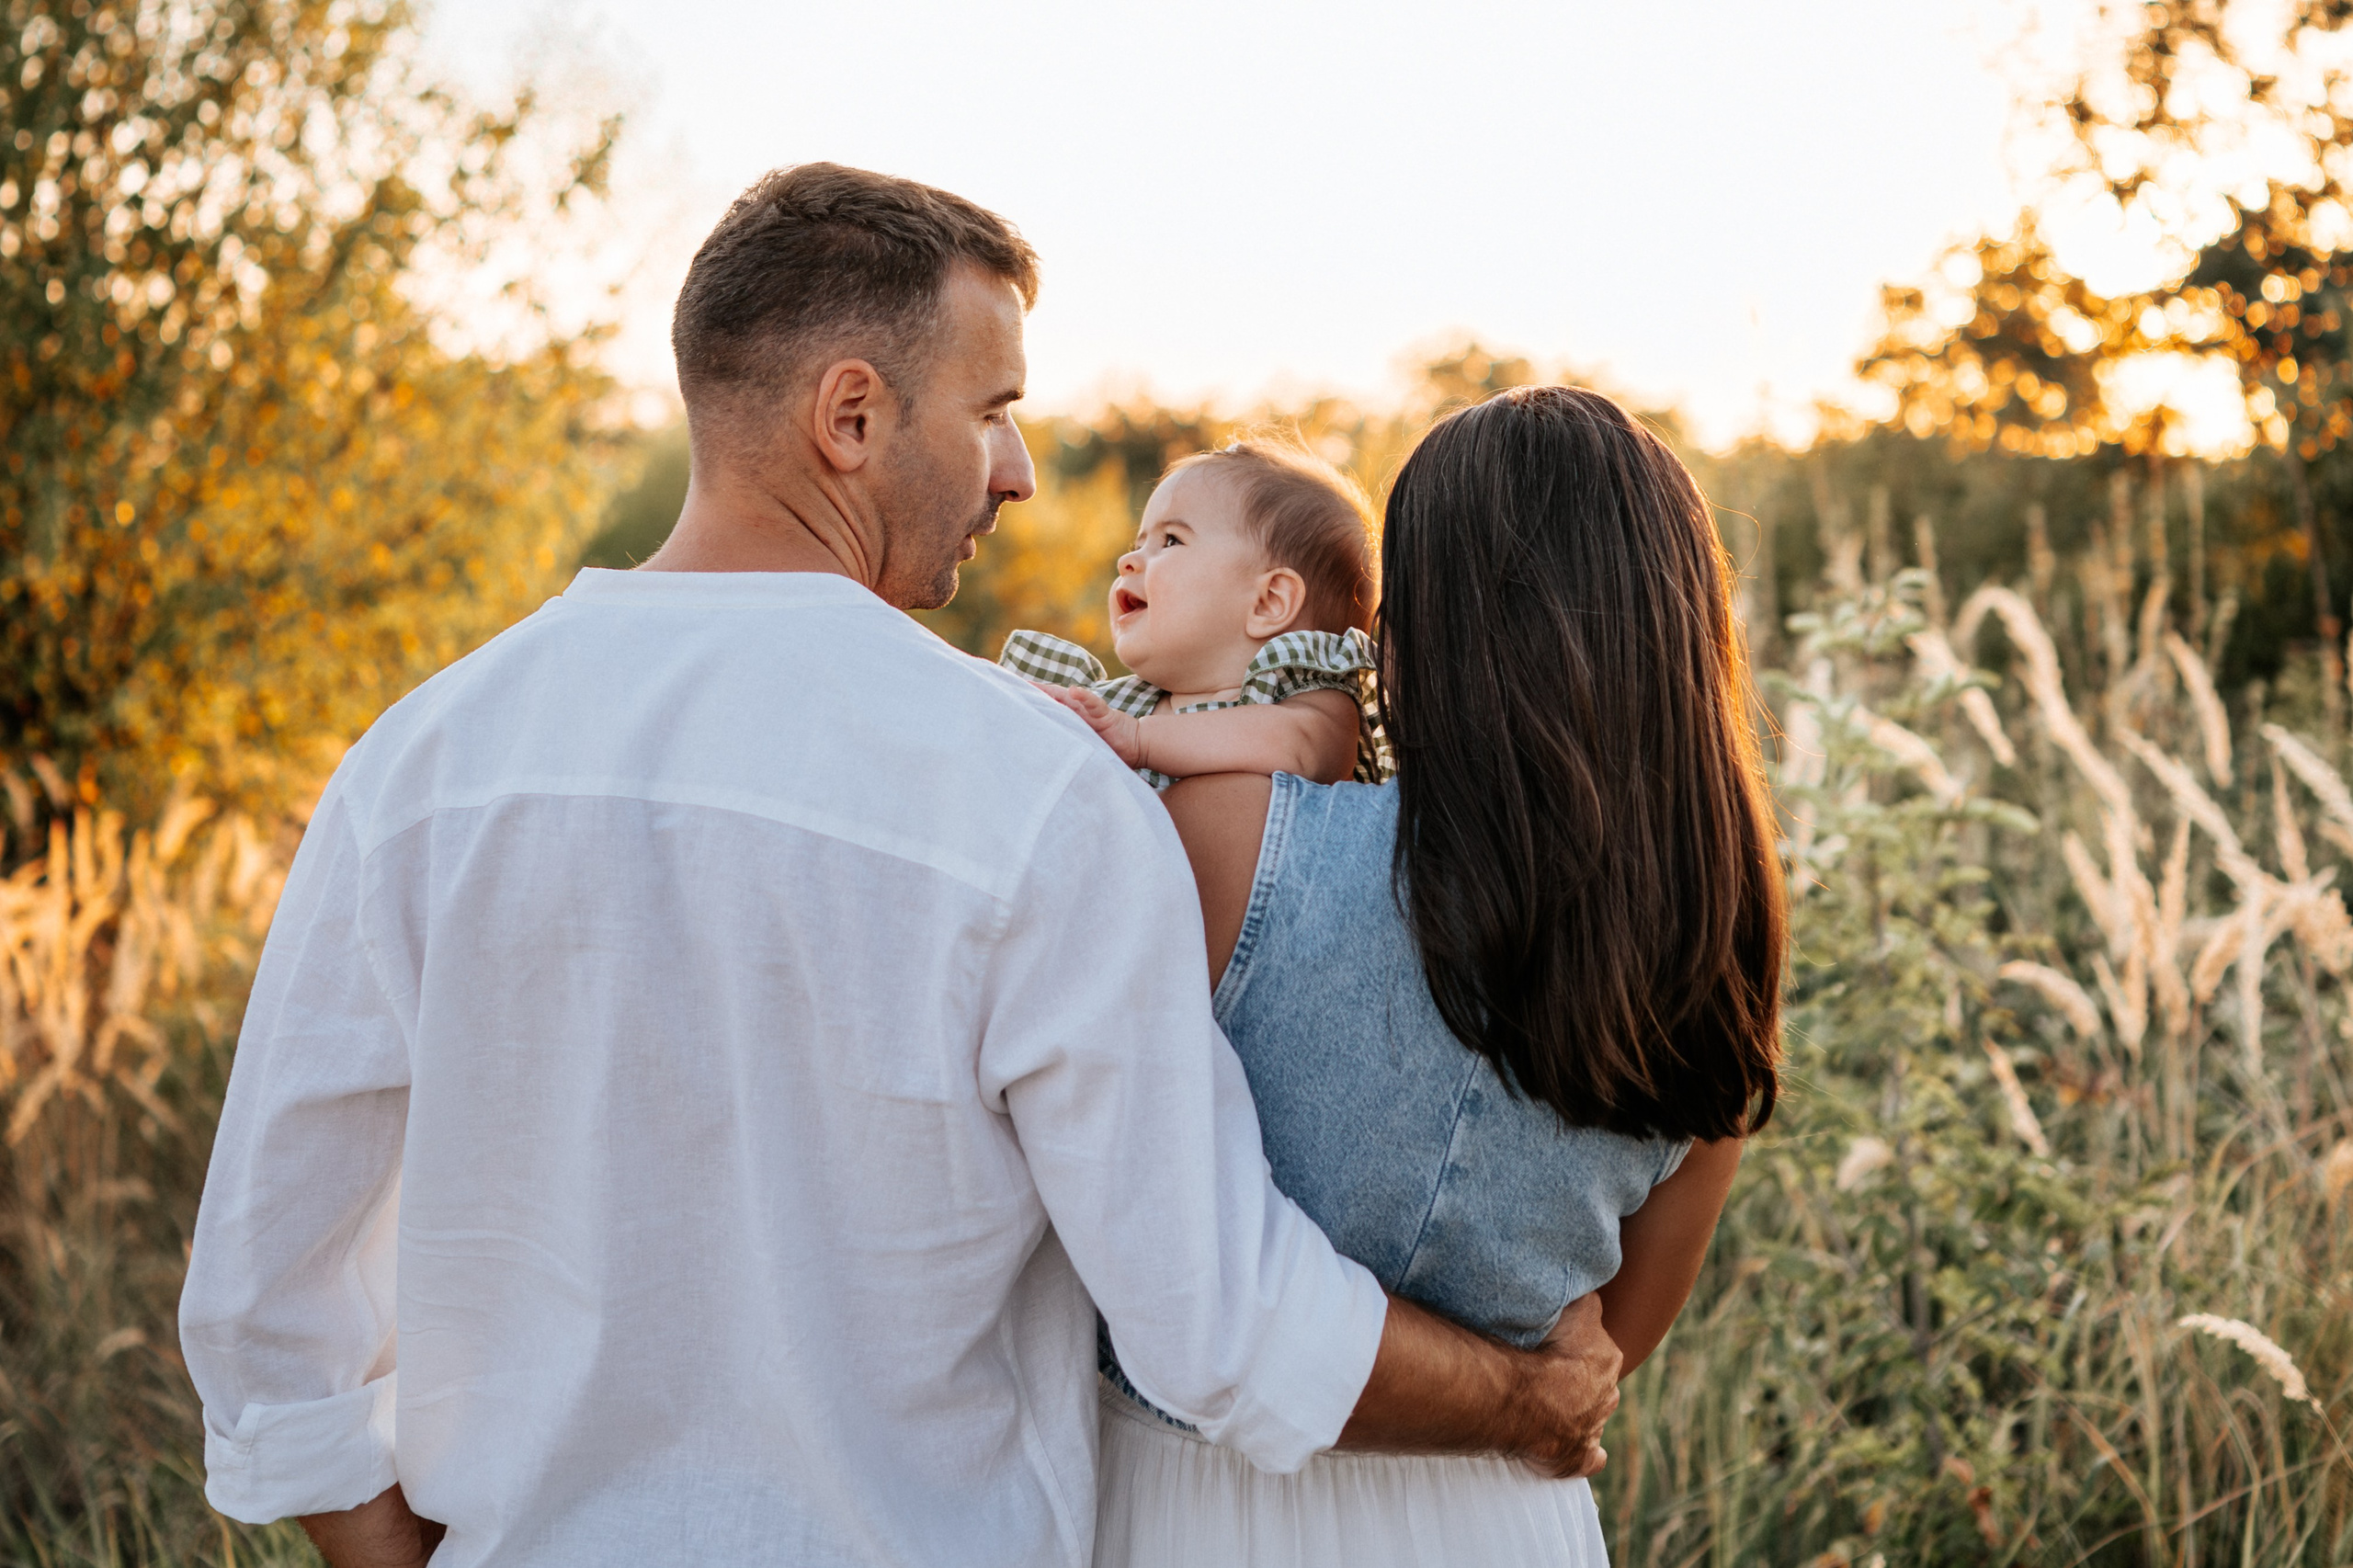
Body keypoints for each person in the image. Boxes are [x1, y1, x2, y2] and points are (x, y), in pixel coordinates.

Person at [176, 165, 1625, 1568]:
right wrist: (1529, 1400)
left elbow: (262, 1313)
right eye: (992, 409)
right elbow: (1217, 1320)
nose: (1022, 468)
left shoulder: (418, 767)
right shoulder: (1038, 795)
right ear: (852, 417)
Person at [1088, 386, 1789, 1567]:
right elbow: (1612, 1340)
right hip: (1504, 1511)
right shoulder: (1714, 941)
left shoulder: (1232, 832)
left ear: (1427, 626)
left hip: (1191, 1499)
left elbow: (1118, 1217)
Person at [1005, 436, 1387, 789]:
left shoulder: (1306, 695)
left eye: (1171, 540)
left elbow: (1301, 748)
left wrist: (1140, 739)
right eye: (1139, 543)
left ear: (1269, 601)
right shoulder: (1108, 707)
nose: (1128, 560)